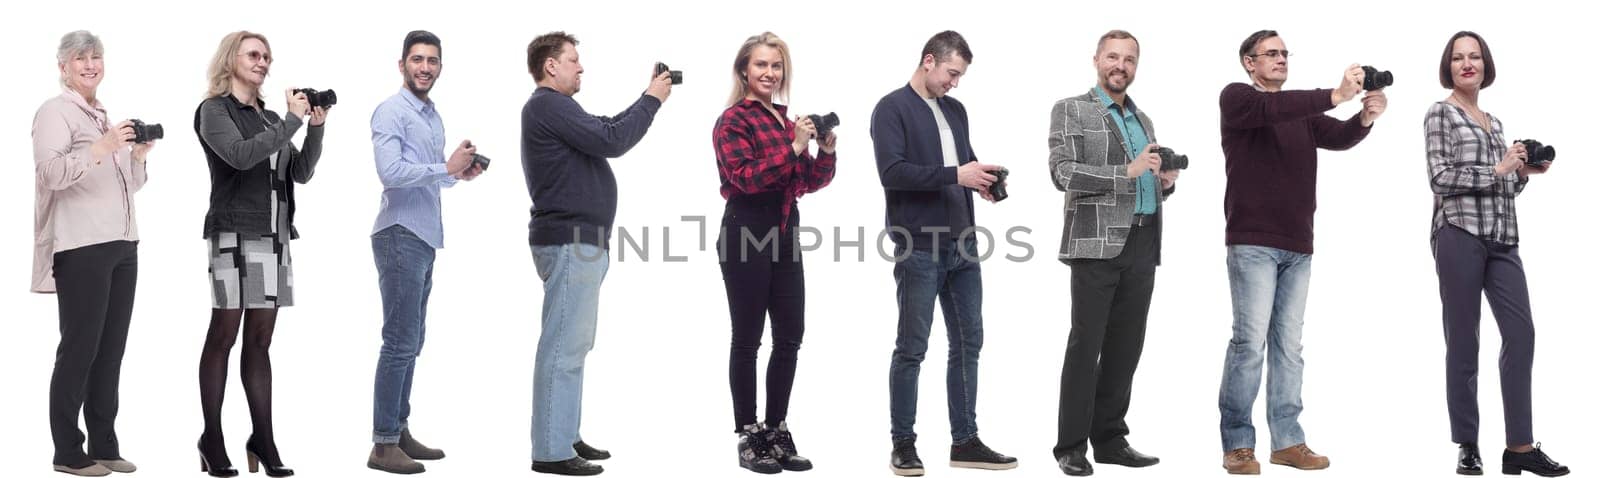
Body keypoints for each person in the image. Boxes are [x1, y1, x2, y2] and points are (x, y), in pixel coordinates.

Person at [1214, 29, 1385, 475]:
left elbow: (1338, 135)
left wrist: (1364, 117)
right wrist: (1334, 93)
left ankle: (1287, 441)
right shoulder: (1239, 99)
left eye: (1285, 53)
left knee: (1289, 347)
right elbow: (1275, 108)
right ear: (1249, 62)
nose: (1281, 59)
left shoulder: (1300, 112)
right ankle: (1238, 445)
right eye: (1271, 53)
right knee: (1249, 344)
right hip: (1252, 243)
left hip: (1298, 245)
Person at [520, 31, 672, 476]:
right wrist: (651, 99)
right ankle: (550, 449)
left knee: (574, 344)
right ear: (552, 65)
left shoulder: (559, 109)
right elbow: (611, 140)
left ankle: (564, 433)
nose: (580, 67)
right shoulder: (547, 105)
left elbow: (606, 129)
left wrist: (646, 98)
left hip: (581, 242)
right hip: (569, 240)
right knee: (563, 345)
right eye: (573, 60)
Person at [871, 30, 1016, 477]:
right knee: (912, 348)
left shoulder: (956, 109)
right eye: (952, 73)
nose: (955, 83)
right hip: (918, 245)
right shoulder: (890, 108)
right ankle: (903, 443)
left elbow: (962, 164)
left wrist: (984, 182)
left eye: (960, 76)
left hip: (964, 245)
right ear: (929, 60)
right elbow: (892, 172)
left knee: (969, 343)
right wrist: (958, 173)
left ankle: (965, 441)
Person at [1425, 31, 1569, 478]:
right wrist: (1498, 168)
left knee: (1521, 335)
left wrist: (1522, 173)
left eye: (1475, 57)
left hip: (1503, 238)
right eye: (1458, 58)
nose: (1467, 64)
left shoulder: (1496, 122)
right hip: (1459, 234)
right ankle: (1468, 445)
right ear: (1448, 67)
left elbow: (1502, 184)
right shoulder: (1440, 113)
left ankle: (1519, 447)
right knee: (1464, 340)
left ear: (1486, 65)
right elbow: (1440, 178)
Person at [194, 30, 327, 478]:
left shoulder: (271, 117)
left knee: (260, 342)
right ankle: (212, 437)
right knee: (224, 335)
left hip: (274, 237)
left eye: (267, 56)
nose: (263, 61)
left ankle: (262, 438)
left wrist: (316, 127)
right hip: (233, 232)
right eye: (254, 54)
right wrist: (289, 122)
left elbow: (301, 172)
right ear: (231, 59)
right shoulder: (214, 111)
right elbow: (239, 157)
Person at [1046, 29, 1176, 477]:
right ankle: (1070, 446)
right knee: (1087, 346)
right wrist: (1128, 170)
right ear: (1097, 59)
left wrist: (1163, 184)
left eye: (1130, 60)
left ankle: (1110, 440)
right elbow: (1063, 173)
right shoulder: (1071, 109)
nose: (1121, 66)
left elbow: (1145, 180)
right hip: (1095, 244)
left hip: (1143, 240)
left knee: (1126, 347)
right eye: (1114, 57)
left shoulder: (1144, 120)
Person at [712, 31, 837, 474]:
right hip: (745, 231)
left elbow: (804, 182)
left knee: (790, 336)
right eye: (762, 65)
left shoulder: (786, 120)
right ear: (744, 69)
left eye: (776, 66)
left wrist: (823, 151)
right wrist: (794, 148)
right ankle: (749, 434)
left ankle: (776, 428)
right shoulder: (733, 120)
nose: (769, 73)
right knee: (747, 338)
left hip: (784, 233)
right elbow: (745, 178)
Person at [34, 29, 154, 478]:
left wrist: (138, 156)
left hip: (123, 244)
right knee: (79, 349)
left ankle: (105, 443)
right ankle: (67, 450)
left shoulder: (103, 116)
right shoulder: (54, 113)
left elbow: (130, 185)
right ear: (63, 66)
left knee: (111, 351)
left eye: (96, 57)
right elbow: (50, 173)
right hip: (81, 246)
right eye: (80, 58)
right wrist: (102, 148)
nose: (90, 65)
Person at [366, 30, 484, 475]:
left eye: (432, 61)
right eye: (417, 59)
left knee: (412, 341)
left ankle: (398, 429)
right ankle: (382, 444)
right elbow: (390, 172)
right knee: (398, 341)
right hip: (398, 233)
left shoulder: (433, 116)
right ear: (401, 65)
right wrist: (443, 168)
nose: (425, 67)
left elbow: (431, 175)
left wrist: (458, 175)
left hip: (424, 235)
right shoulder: (391, 111)